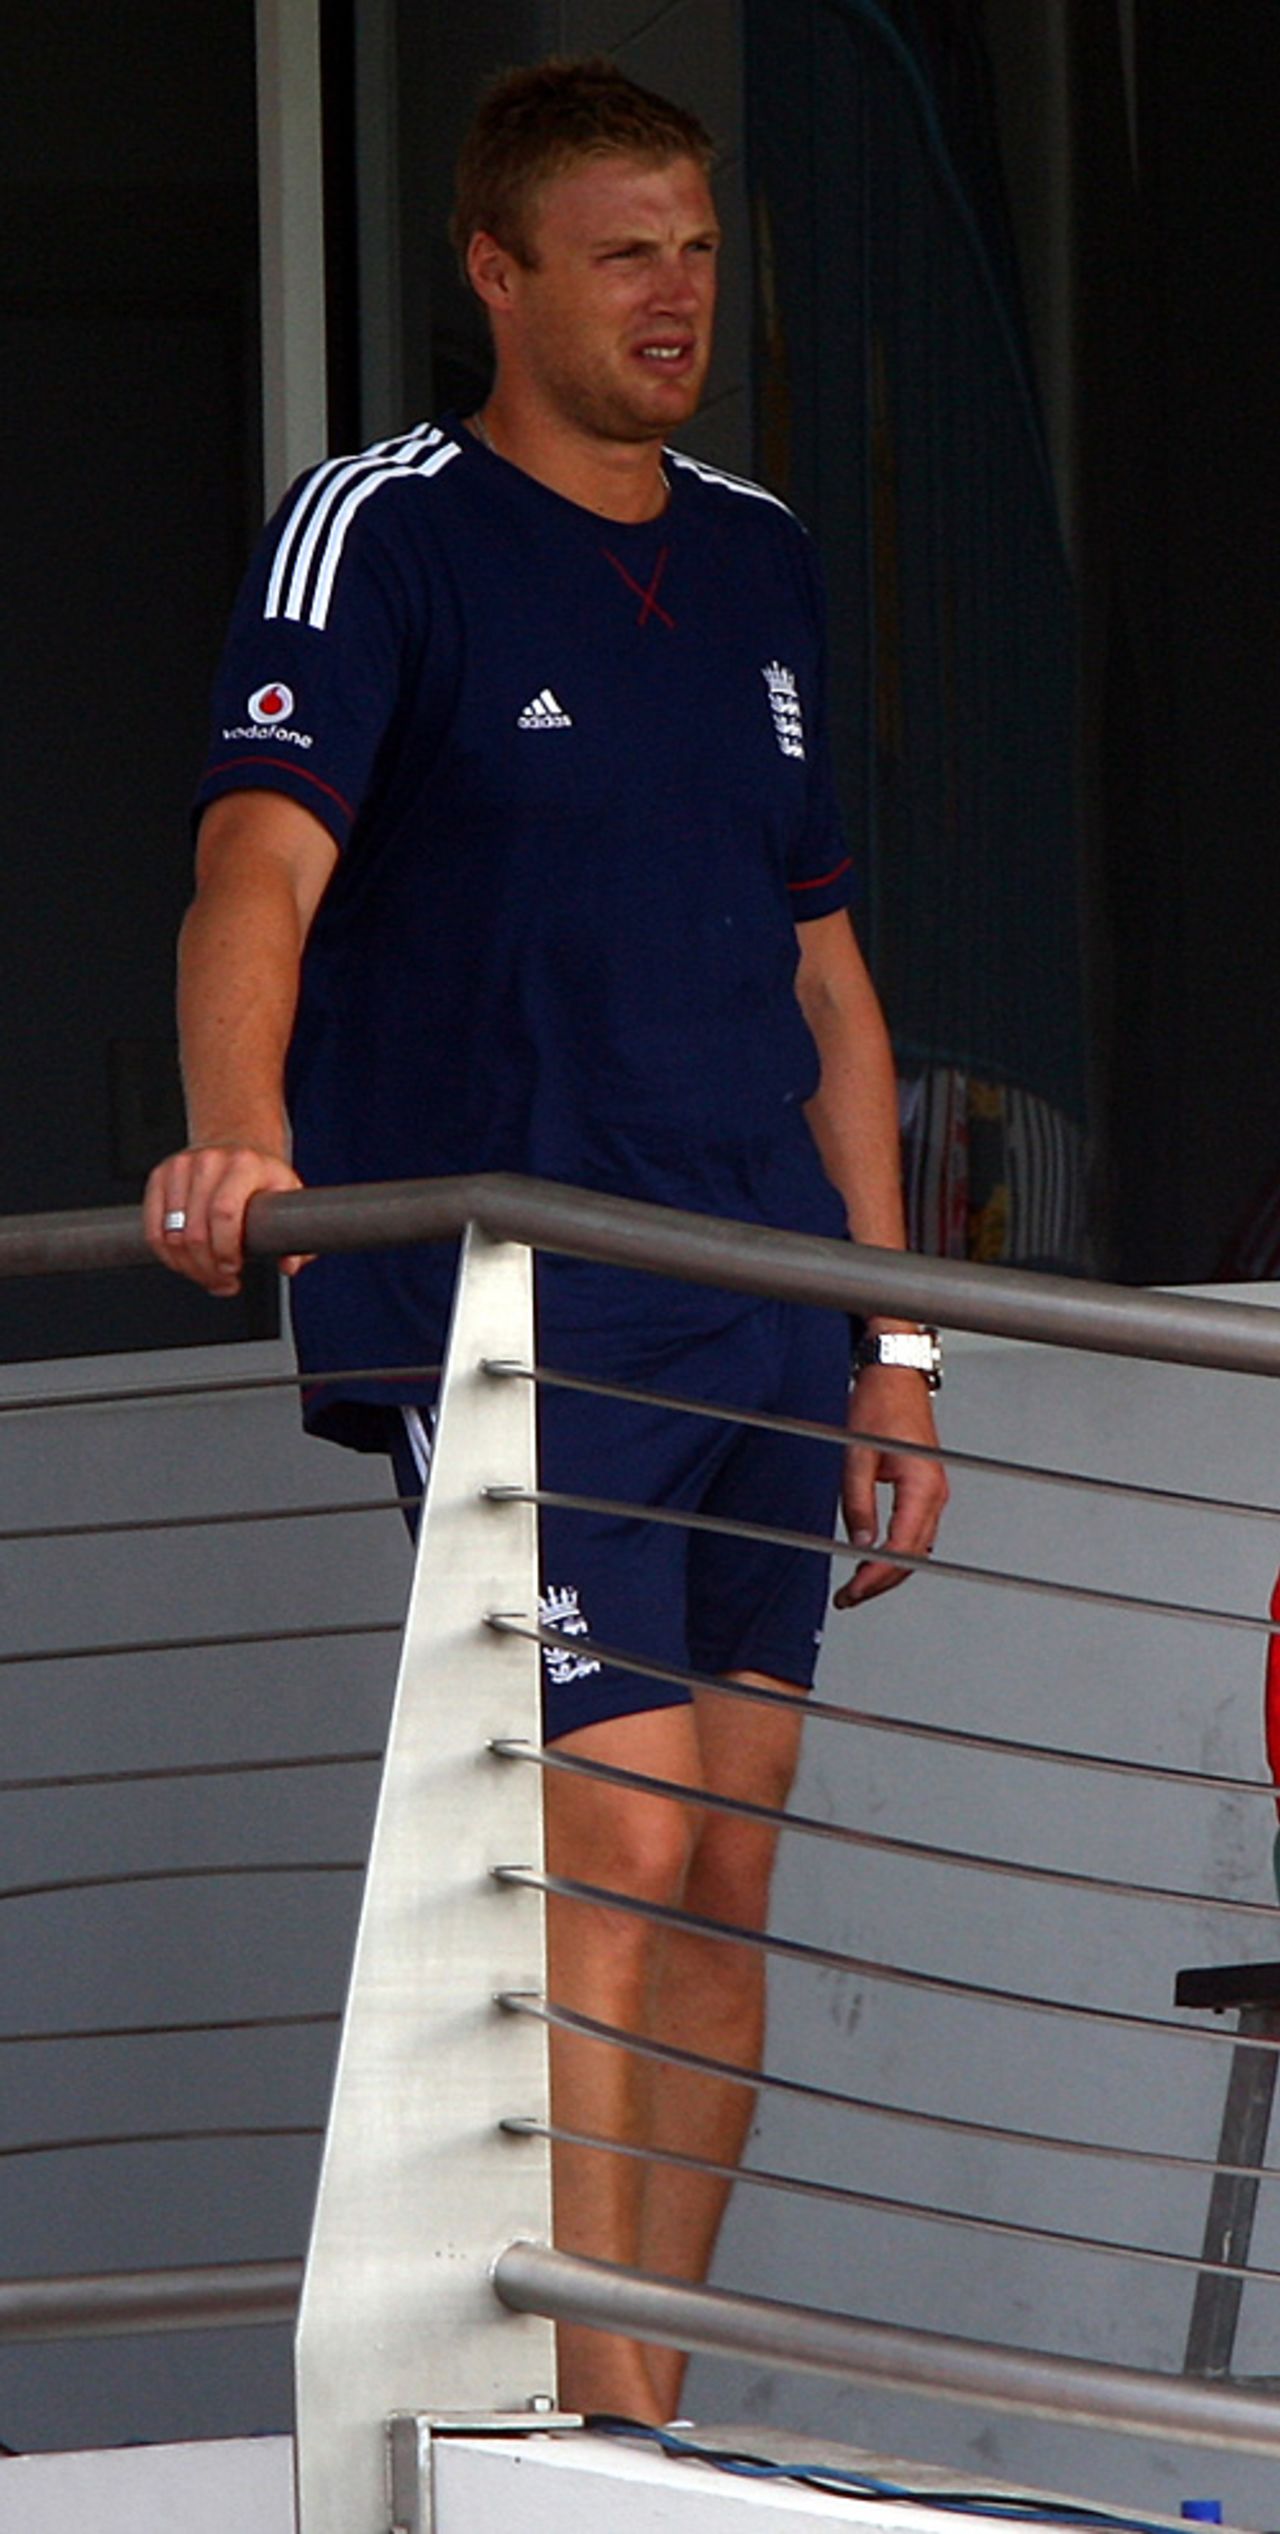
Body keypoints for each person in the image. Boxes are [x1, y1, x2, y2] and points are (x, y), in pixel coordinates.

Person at [144, 56, 947, 2423]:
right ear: (495, 274)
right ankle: (569, 2433)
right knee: (594, 1831)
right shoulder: (378, 527)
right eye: (623, 251)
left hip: (769, 1299)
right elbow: (253, 868)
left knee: (722, 1851)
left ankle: (641, 2424)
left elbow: (827, 976)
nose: (675, 293)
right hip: (521, 1311)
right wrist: (228, 1142)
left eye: (695, 248)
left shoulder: (765, 546)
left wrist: (902, 1339)